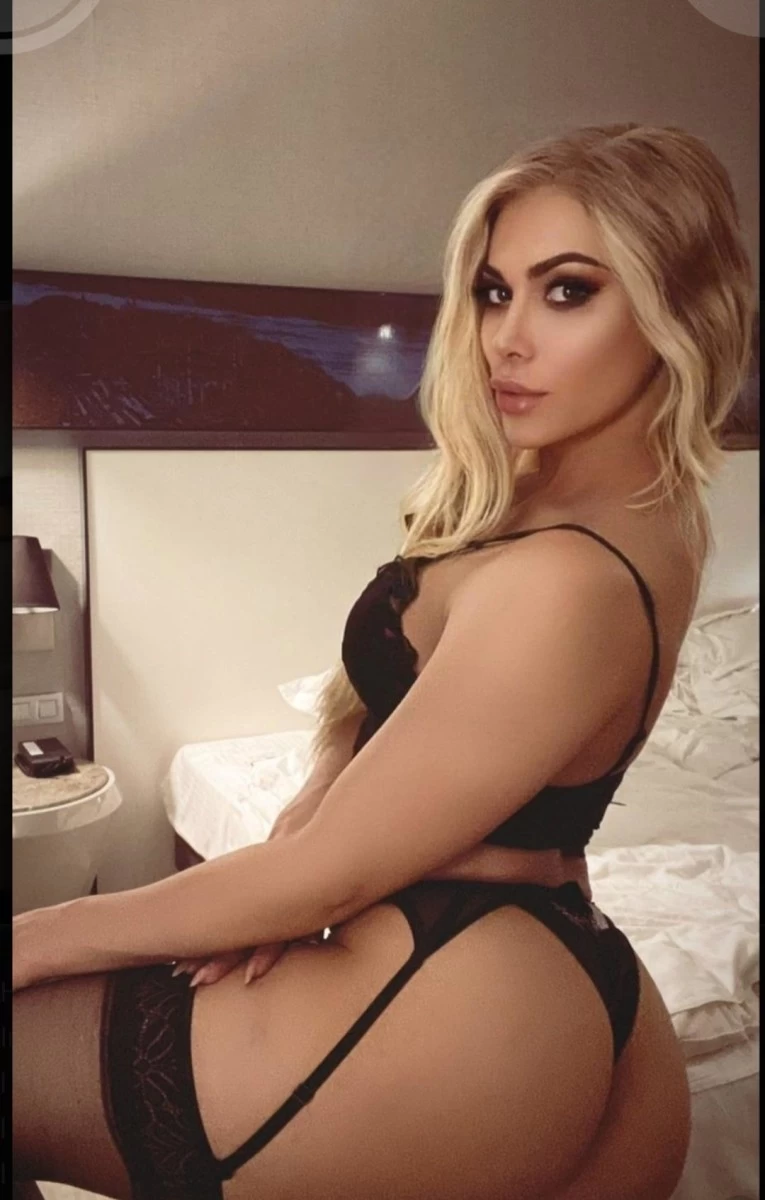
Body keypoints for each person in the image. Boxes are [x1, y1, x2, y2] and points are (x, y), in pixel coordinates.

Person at [13, 121, 754, 1200]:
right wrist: (271, 868)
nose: (505, 339)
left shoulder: (566, 577)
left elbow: (329, 873)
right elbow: (373, 749)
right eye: (493, 292)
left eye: (568, 291)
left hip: (461, 1005)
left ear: (675, 308)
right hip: (530, 976)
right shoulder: (614, 511)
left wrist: (37, 936)